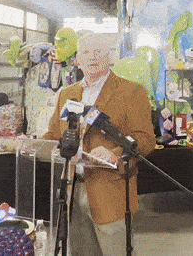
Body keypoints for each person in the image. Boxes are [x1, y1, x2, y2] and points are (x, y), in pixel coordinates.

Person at [42, 32, 156, 255]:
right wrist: (29, 143)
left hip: (111, 190)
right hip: (71, 190)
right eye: (86, 52)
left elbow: (145, 139)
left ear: (109, 56)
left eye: (98, 52)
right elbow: (54, 134)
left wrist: (115, 152)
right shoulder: (68, 93)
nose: (92, 57)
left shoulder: (132, 91)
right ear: (77, 60)